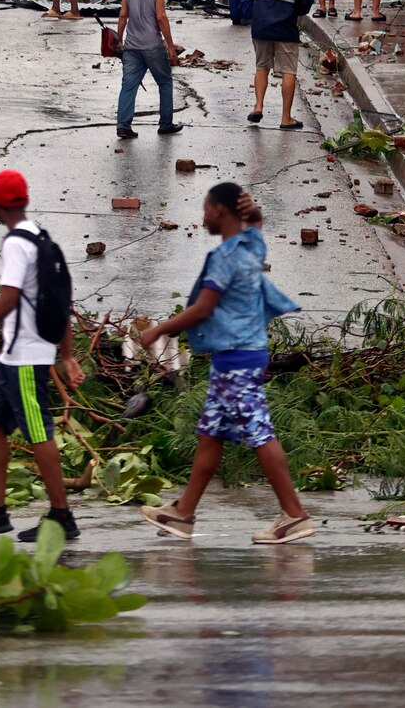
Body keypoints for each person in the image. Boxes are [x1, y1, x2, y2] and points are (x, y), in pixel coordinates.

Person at [138, 182, 313, 545]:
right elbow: (257, 229)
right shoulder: (251, 245)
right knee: (210, 435)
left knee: (260, 433)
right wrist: (256, 215)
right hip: (238, 356)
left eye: (205, 209)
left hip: (236, 358)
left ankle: (294, 516)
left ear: (219, 210)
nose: (202, 217)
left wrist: (158, 331)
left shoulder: (225, 257)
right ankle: (184, 513)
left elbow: (203, 309)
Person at [0, 170, 85, 542]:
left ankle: (61, 516)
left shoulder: (15, 244)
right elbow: (61, 298)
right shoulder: (39, 235)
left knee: (38, 431)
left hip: (26, 356)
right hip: (15, 357)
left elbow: (7, 300)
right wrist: (68, 354)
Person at [248, 0, 314, 130]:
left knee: (262, 67)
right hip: (285, 27)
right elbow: (305, 2)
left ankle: (258, 106)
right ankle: (286, 118)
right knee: (288, 71)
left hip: (260, 26)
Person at [116, 0, 182, 139]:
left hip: (132, 45)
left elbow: (123, 15)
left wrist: (119, 39)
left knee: (129, 85)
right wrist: (170, 46)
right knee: (164, 81)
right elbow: (161, 16)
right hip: (152, 45)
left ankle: (123, 125)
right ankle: (165, 124)